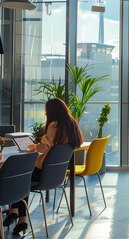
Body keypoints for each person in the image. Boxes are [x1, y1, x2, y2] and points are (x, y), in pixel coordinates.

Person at [4, 98, 83, 235]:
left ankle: (19, 216)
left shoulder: (54, 125)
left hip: (43, 174)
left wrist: (33, 147)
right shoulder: (71, 124)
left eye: (47, 112)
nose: (46, 114)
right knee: (23, 178)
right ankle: (15, 213)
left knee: (20, 178)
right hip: (56, 175)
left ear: (53, 112)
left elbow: (44, 146)